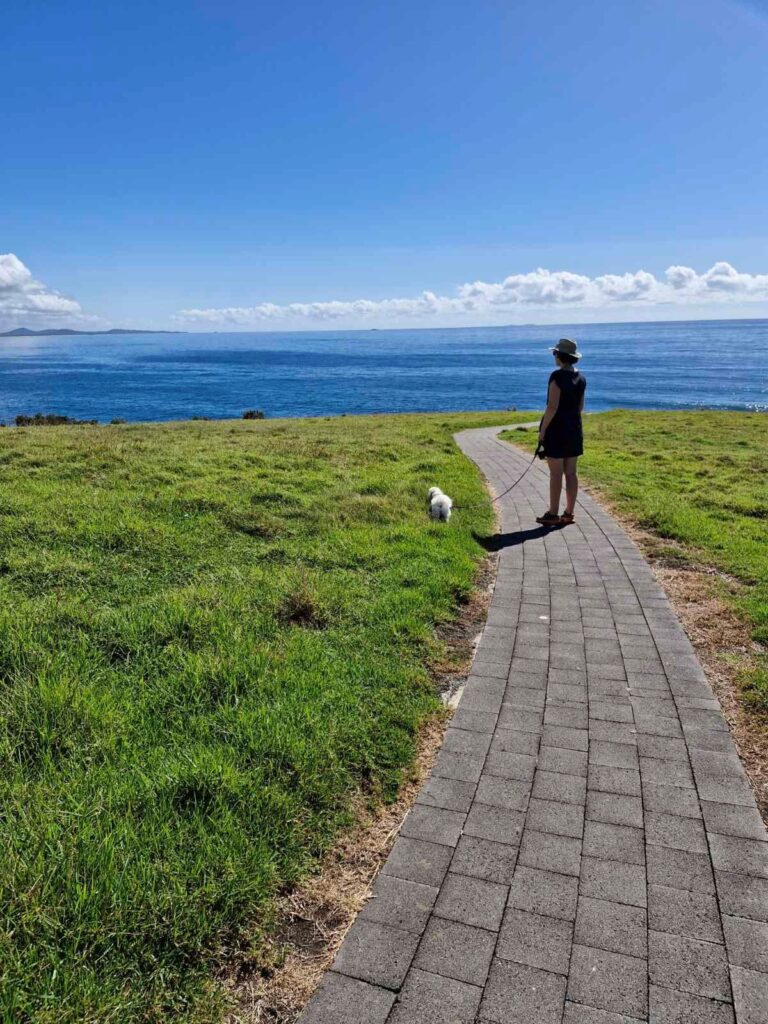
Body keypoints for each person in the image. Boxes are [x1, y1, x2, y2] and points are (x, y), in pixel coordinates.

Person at [535, 337, 586, 527]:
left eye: (555, 353)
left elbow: (552, 407)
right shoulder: (581, 378)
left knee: (556, 474)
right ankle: (569, 513)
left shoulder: (556, 377)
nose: (554, 356)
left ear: (560, 356)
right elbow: (580, 406)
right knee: (571, 473)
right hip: (574, 429)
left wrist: (543, 430)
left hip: (557, 430)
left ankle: (552, 514)